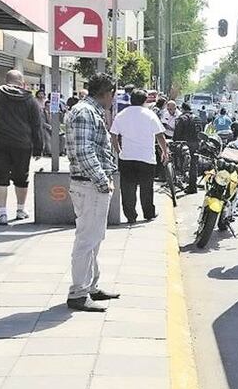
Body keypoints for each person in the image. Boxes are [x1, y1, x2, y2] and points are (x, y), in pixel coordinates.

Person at [64, 73, 120, 312]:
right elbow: (84, 151)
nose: (113, 99)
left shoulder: (88, 111)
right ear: (107, 93)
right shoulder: (85, 112)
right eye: (113, 94)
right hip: (89, 184)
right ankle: (78, 292)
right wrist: (101, 180)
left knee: (94, 238)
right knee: (87, 240)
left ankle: (90, 286)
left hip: (90, 183)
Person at [0, 70, 43, 224]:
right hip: (22, 144)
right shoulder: (30, 99)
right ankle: (20, 210)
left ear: (6, 80)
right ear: (21, 82)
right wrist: (38, 147)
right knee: (21, 176)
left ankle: (2, 213)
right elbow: (37, 125)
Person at [110, 89, 170, 223]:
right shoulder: (150, 115)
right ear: (145, 101)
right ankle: (149, 214)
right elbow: (160, 135)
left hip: (127, 158)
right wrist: (165, 151)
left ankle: (131, 216)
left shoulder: (122, 115)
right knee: (146, 188)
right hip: (146, 158)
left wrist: (118, 149)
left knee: (127, 189)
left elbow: (113, 134)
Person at [173, 102, 201, 193]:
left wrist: (174, 142)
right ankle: (193, 186)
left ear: (182, 109)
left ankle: (181, 178)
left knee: (180, 162)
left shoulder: (181, 119)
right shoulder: (197, 118)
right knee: (194, 165)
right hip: (196, 144)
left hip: (184, 144)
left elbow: (177, 134)